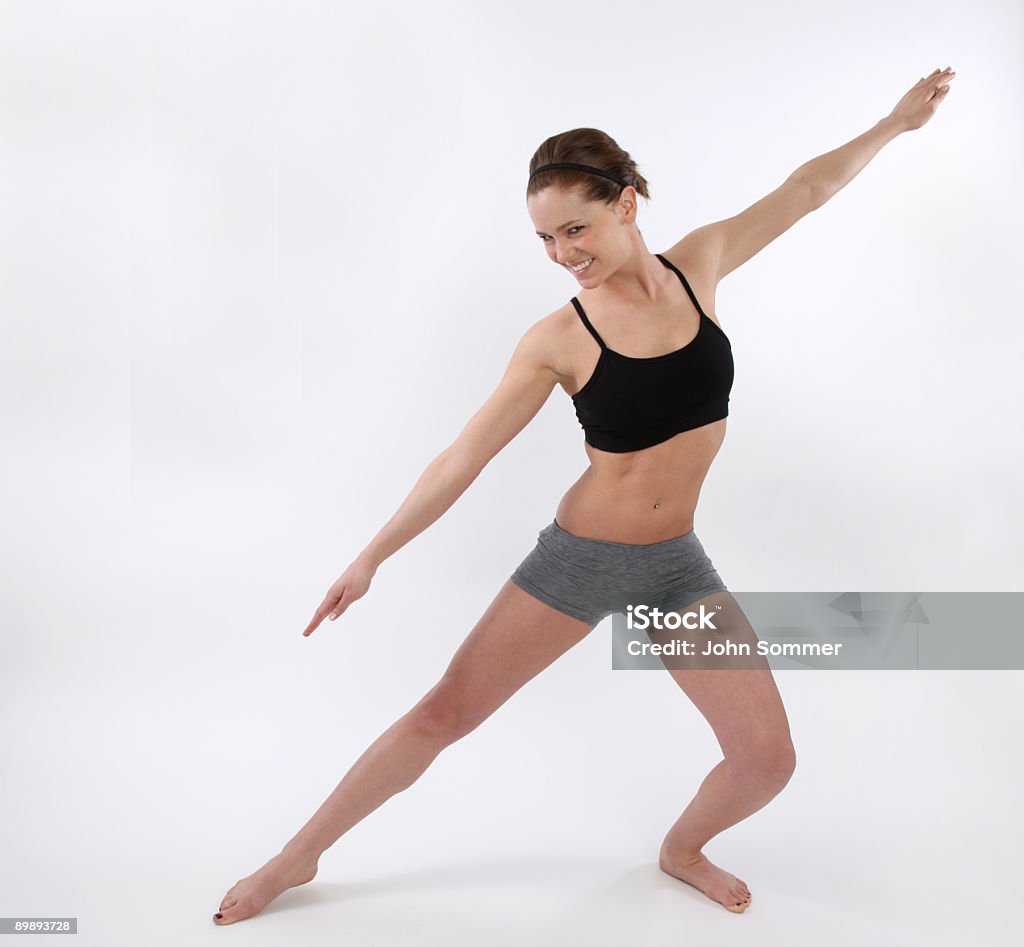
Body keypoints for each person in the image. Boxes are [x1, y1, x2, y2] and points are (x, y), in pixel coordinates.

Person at [213, 66, 955, 925]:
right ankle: (295, 855)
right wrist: (372, 554)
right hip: (581, 562)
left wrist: (896, 124)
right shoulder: (558, 339)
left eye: (577, 227)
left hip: (677, 566)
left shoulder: (699, 266)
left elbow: (806, 190)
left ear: (628, 204)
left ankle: (682, 850)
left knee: (766, 759)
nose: (565, 253)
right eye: (546, 238)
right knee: (446, 711)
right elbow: (462, 457)